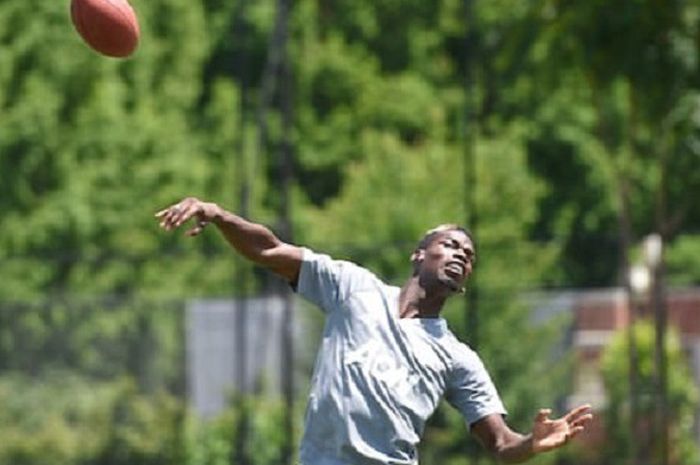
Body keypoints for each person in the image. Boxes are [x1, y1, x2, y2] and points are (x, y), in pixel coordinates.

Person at [156, 197, 593, 465]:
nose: (461, 255)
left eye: (470, 255)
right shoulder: (352, 287)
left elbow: (500, 443)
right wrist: (217, 214)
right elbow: (269, 249)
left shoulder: (458, 358)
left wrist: (531, 445)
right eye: (451, 245)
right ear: (419, 255)